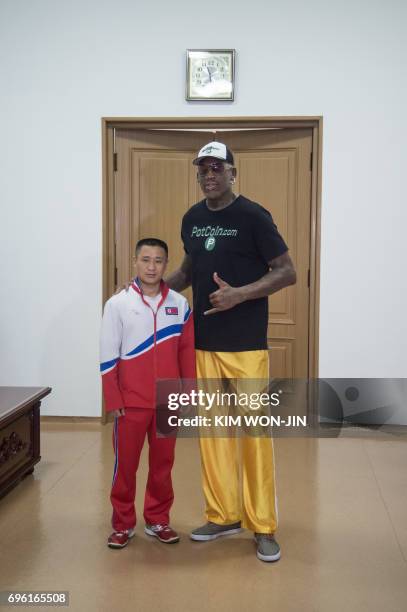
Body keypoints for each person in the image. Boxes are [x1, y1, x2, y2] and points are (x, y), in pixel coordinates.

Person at [166, 141, 296, 562]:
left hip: (245, 346)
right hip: (203, 343)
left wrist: (240, 295)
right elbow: (189, 271)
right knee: (214, 435)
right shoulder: (192, 218)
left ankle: (263, 525)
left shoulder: (253, 216)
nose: (208, 175)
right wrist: (150, 290)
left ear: (232, 172)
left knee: (254, 435)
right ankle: (223, 514)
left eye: (216, 168)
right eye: (202, 169)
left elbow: (286, 272)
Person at [100, 238, 195, 549]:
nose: (152, 266)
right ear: (135, 262)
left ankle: (157, 519)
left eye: (158, 260)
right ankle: (122, 523)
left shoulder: (180, 305)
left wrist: (188, 396)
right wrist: (114, 399)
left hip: (168, 401)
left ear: (166, 264)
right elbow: (107, 355)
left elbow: (187, 355)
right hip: (130, 403)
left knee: (162, 466)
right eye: (145, 260)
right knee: (125, 466)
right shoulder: (117, 304)